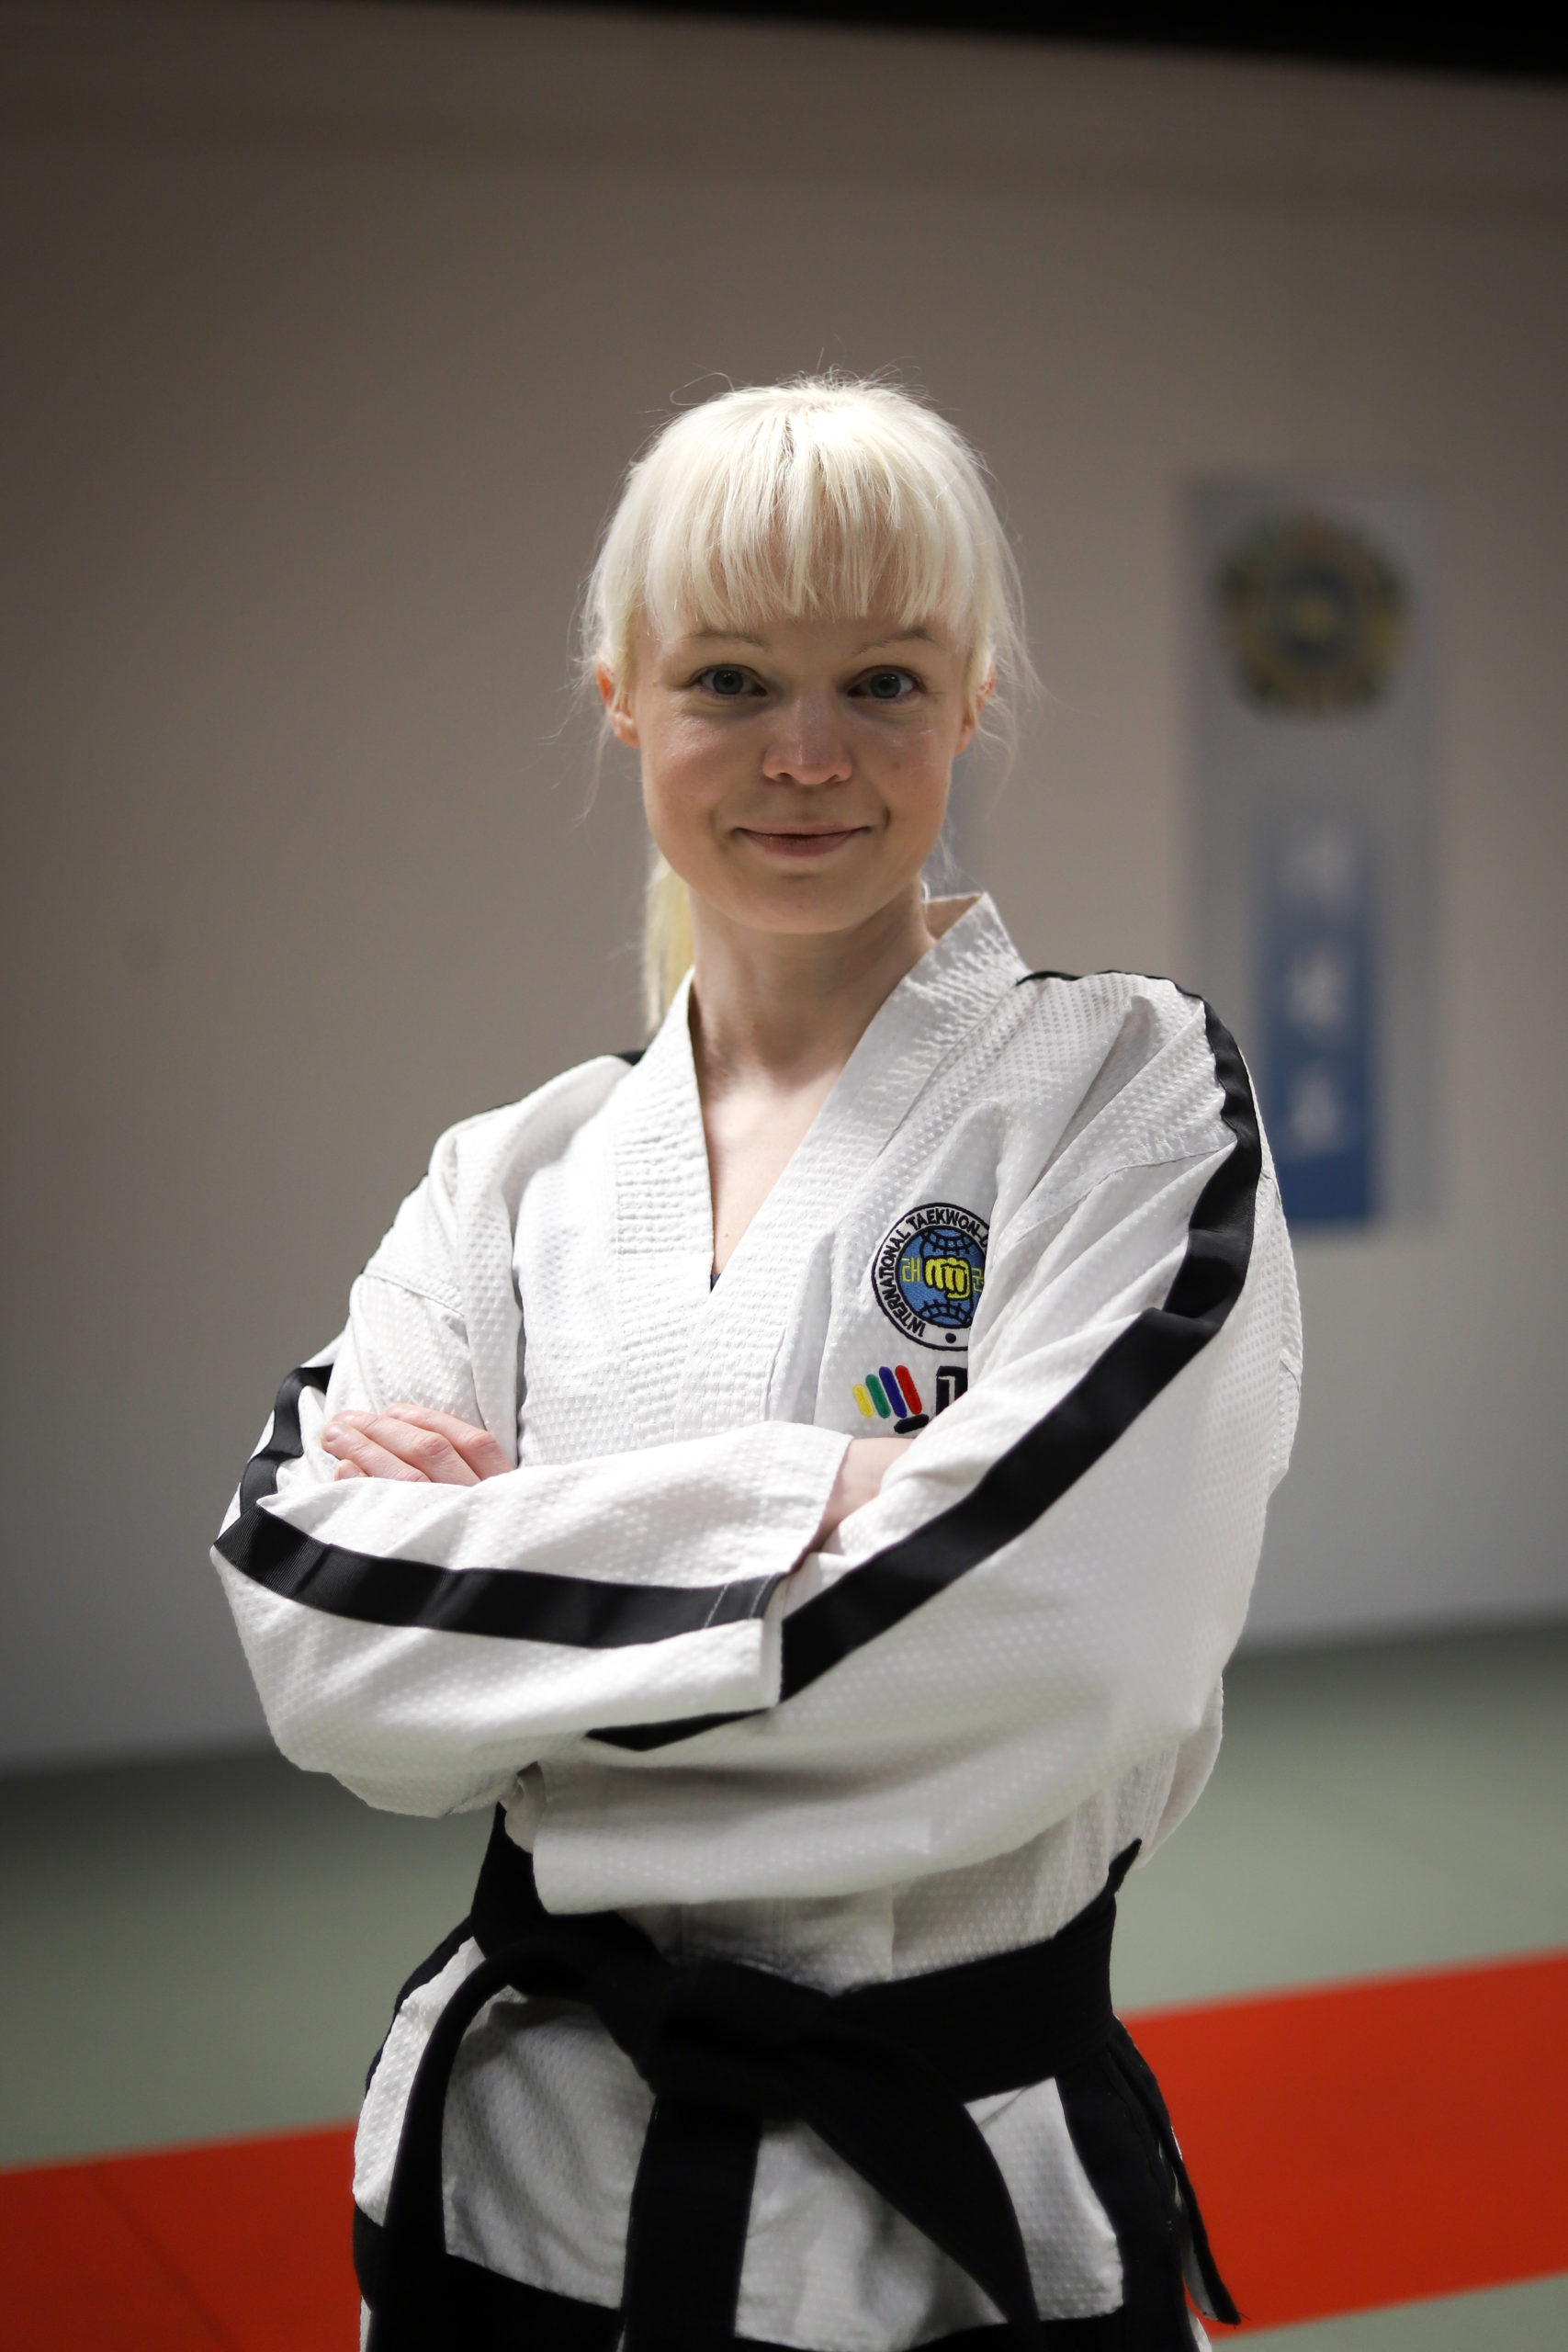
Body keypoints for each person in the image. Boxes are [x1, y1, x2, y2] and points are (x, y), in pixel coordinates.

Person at [214, 377, 1301, 2352]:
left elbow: (1083, 1633)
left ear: (971, 698)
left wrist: (520, 1605)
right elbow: (315, 1631)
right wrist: (824, 1498)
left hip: (955, 2205)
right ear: (622, 695)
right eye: (729, 678)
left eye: (882, 681)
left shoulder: (1122, 1093)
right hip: (522, 2199)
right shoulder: (512, 1177)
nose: (808, 754)